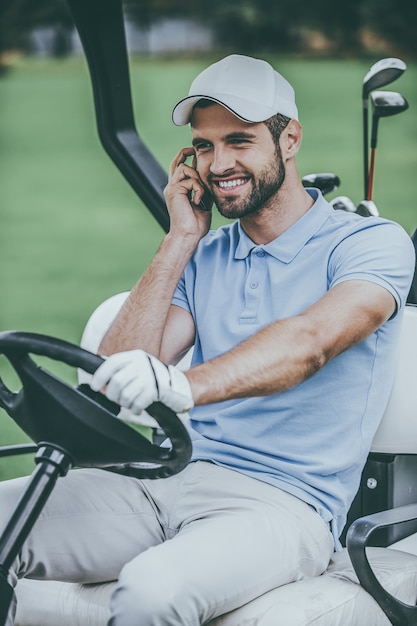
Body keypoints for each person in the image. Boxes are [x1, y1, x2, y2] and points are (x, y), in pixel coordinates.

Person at [1, 54, 415, 626]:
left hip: (282, 504)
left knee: (152, 589)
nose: (219, 163)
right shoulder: (208, 254)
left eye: (239, 141)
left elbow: (312, 340)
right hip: (168, 477)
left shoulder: (369, 244)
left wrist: (182, 385)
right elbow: (113, 368)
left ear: (289, 139)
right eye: (203, 146)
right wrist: (180, 239)